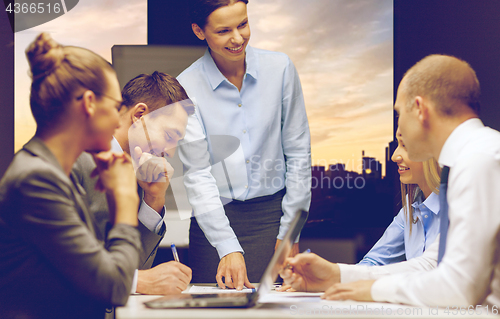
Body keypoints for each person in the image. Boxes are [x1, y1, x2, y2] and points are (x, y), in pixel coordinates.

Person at [281, 54, 500, 307]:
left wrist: (372, 289)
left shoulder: (478, 160)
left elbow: (458, 287)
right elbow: (433, 263)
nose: (399, 130)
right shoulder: (477, 155)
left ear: (420, 109)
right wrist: (337, 276)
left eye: (398, 113)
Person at [0, 33, 141, 318]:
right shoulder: (37, 180)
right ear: (89, 102)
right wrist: (126, 197)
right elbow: (113, 286)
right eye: (115, 108)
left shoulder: (51, 173)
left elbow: (91, 269)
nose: (117, 121)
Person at [177, 0, 311, 289]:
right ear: (199, 31)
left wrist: (291, 231)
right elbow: (197, 173)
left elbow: (298, 152)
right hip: (213, 220)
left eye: (243, 24)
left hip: (272, 220)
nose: (237, 38)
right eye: (224, 30)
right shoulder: (185, 87)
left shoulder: (281, 69)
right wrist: (226, 245)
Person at [73, 72, 194, 295]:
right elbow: (61, 259)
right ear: (139, 115)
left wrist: (154, 198)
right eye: (169, 135)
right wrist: (138, 281)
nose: (170, 151)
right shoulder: (76, 159)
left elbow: (135, 268)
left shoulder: (139, 175)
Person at [358, 129, 441, 266]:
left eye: (406, 146)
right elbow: (374, 262)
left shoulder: (458, 207)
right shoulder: (411, 206)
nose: (395, 156)